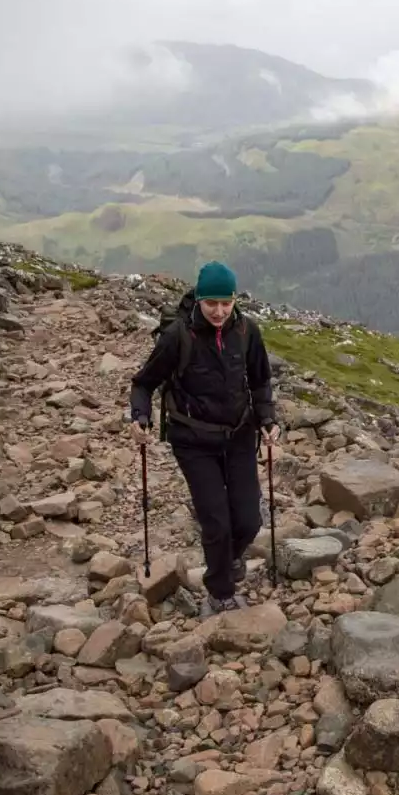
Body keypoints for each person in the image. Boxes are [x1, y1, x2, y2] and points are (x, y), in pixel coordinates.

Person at [128, 261, 280, 614]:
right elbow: (143, 382)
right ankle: (220, 591)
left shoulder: (247, 331)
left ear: (233, 300)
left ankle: (228, 557)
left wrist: (267, 418)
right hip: (192, 440)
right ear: (199, 299)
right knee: (217, 522)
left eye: (225, 303)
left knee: (249, 520)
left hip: (240, 434)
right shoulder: (177, 335)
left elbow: (260, 381)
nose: (219, 311)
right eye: (211, 303)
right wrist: (141, 416)